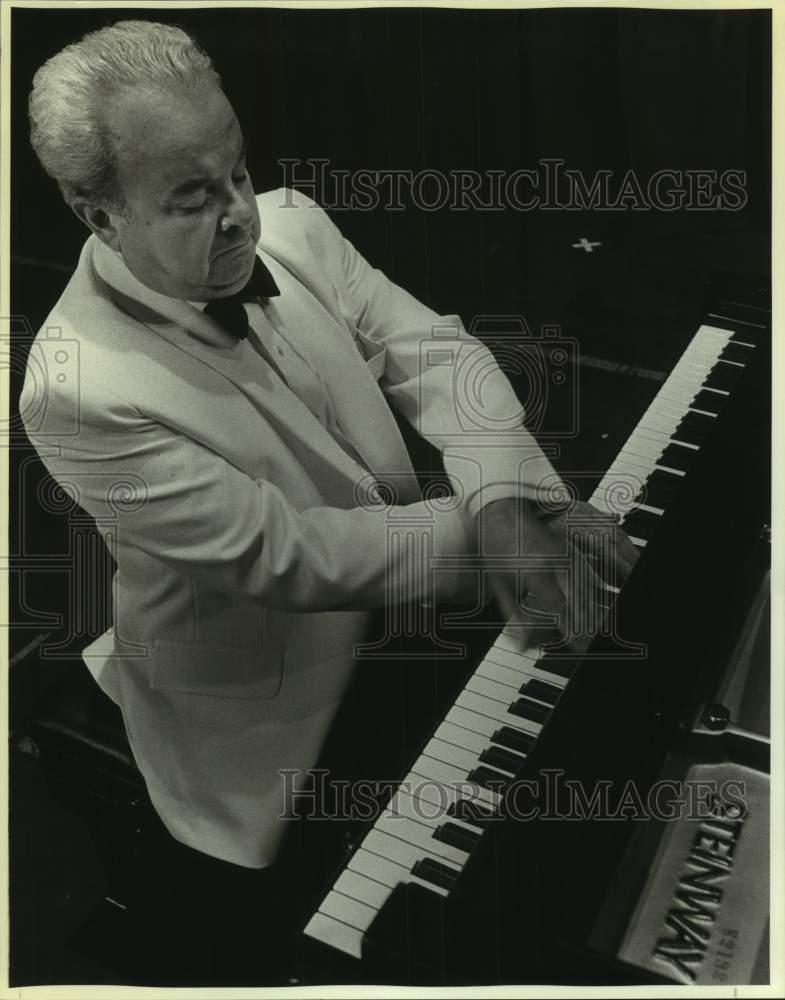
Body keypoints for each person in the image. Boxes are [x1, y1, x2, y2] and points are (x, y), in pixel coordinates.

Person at [22, 19, 637, 984]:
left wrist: (509, 505)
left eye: (235, 171)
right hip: (270, 696)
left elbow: (431, 351)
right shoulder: (74, 388)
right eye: (191, 197)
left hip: (410, 586)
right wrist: (505, 522)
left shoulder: (295, 220)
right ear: (97, 214)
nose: (238, 214)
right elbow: (289, 557)